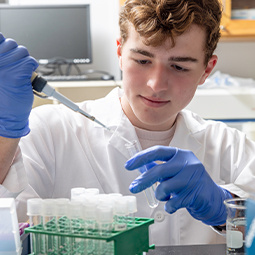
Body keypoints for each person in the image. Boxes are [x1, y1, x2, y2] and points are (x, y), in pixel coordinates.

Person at [0, 0, 254, 246]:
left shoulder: (231, 148)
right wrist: (5, 134)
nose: (156, 84)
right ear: (120, 53)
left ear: (206, 71)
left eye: (178, 66)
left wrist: (226, 209)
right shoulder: (50, 132)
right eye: (143, 61)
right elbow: (7, 225)